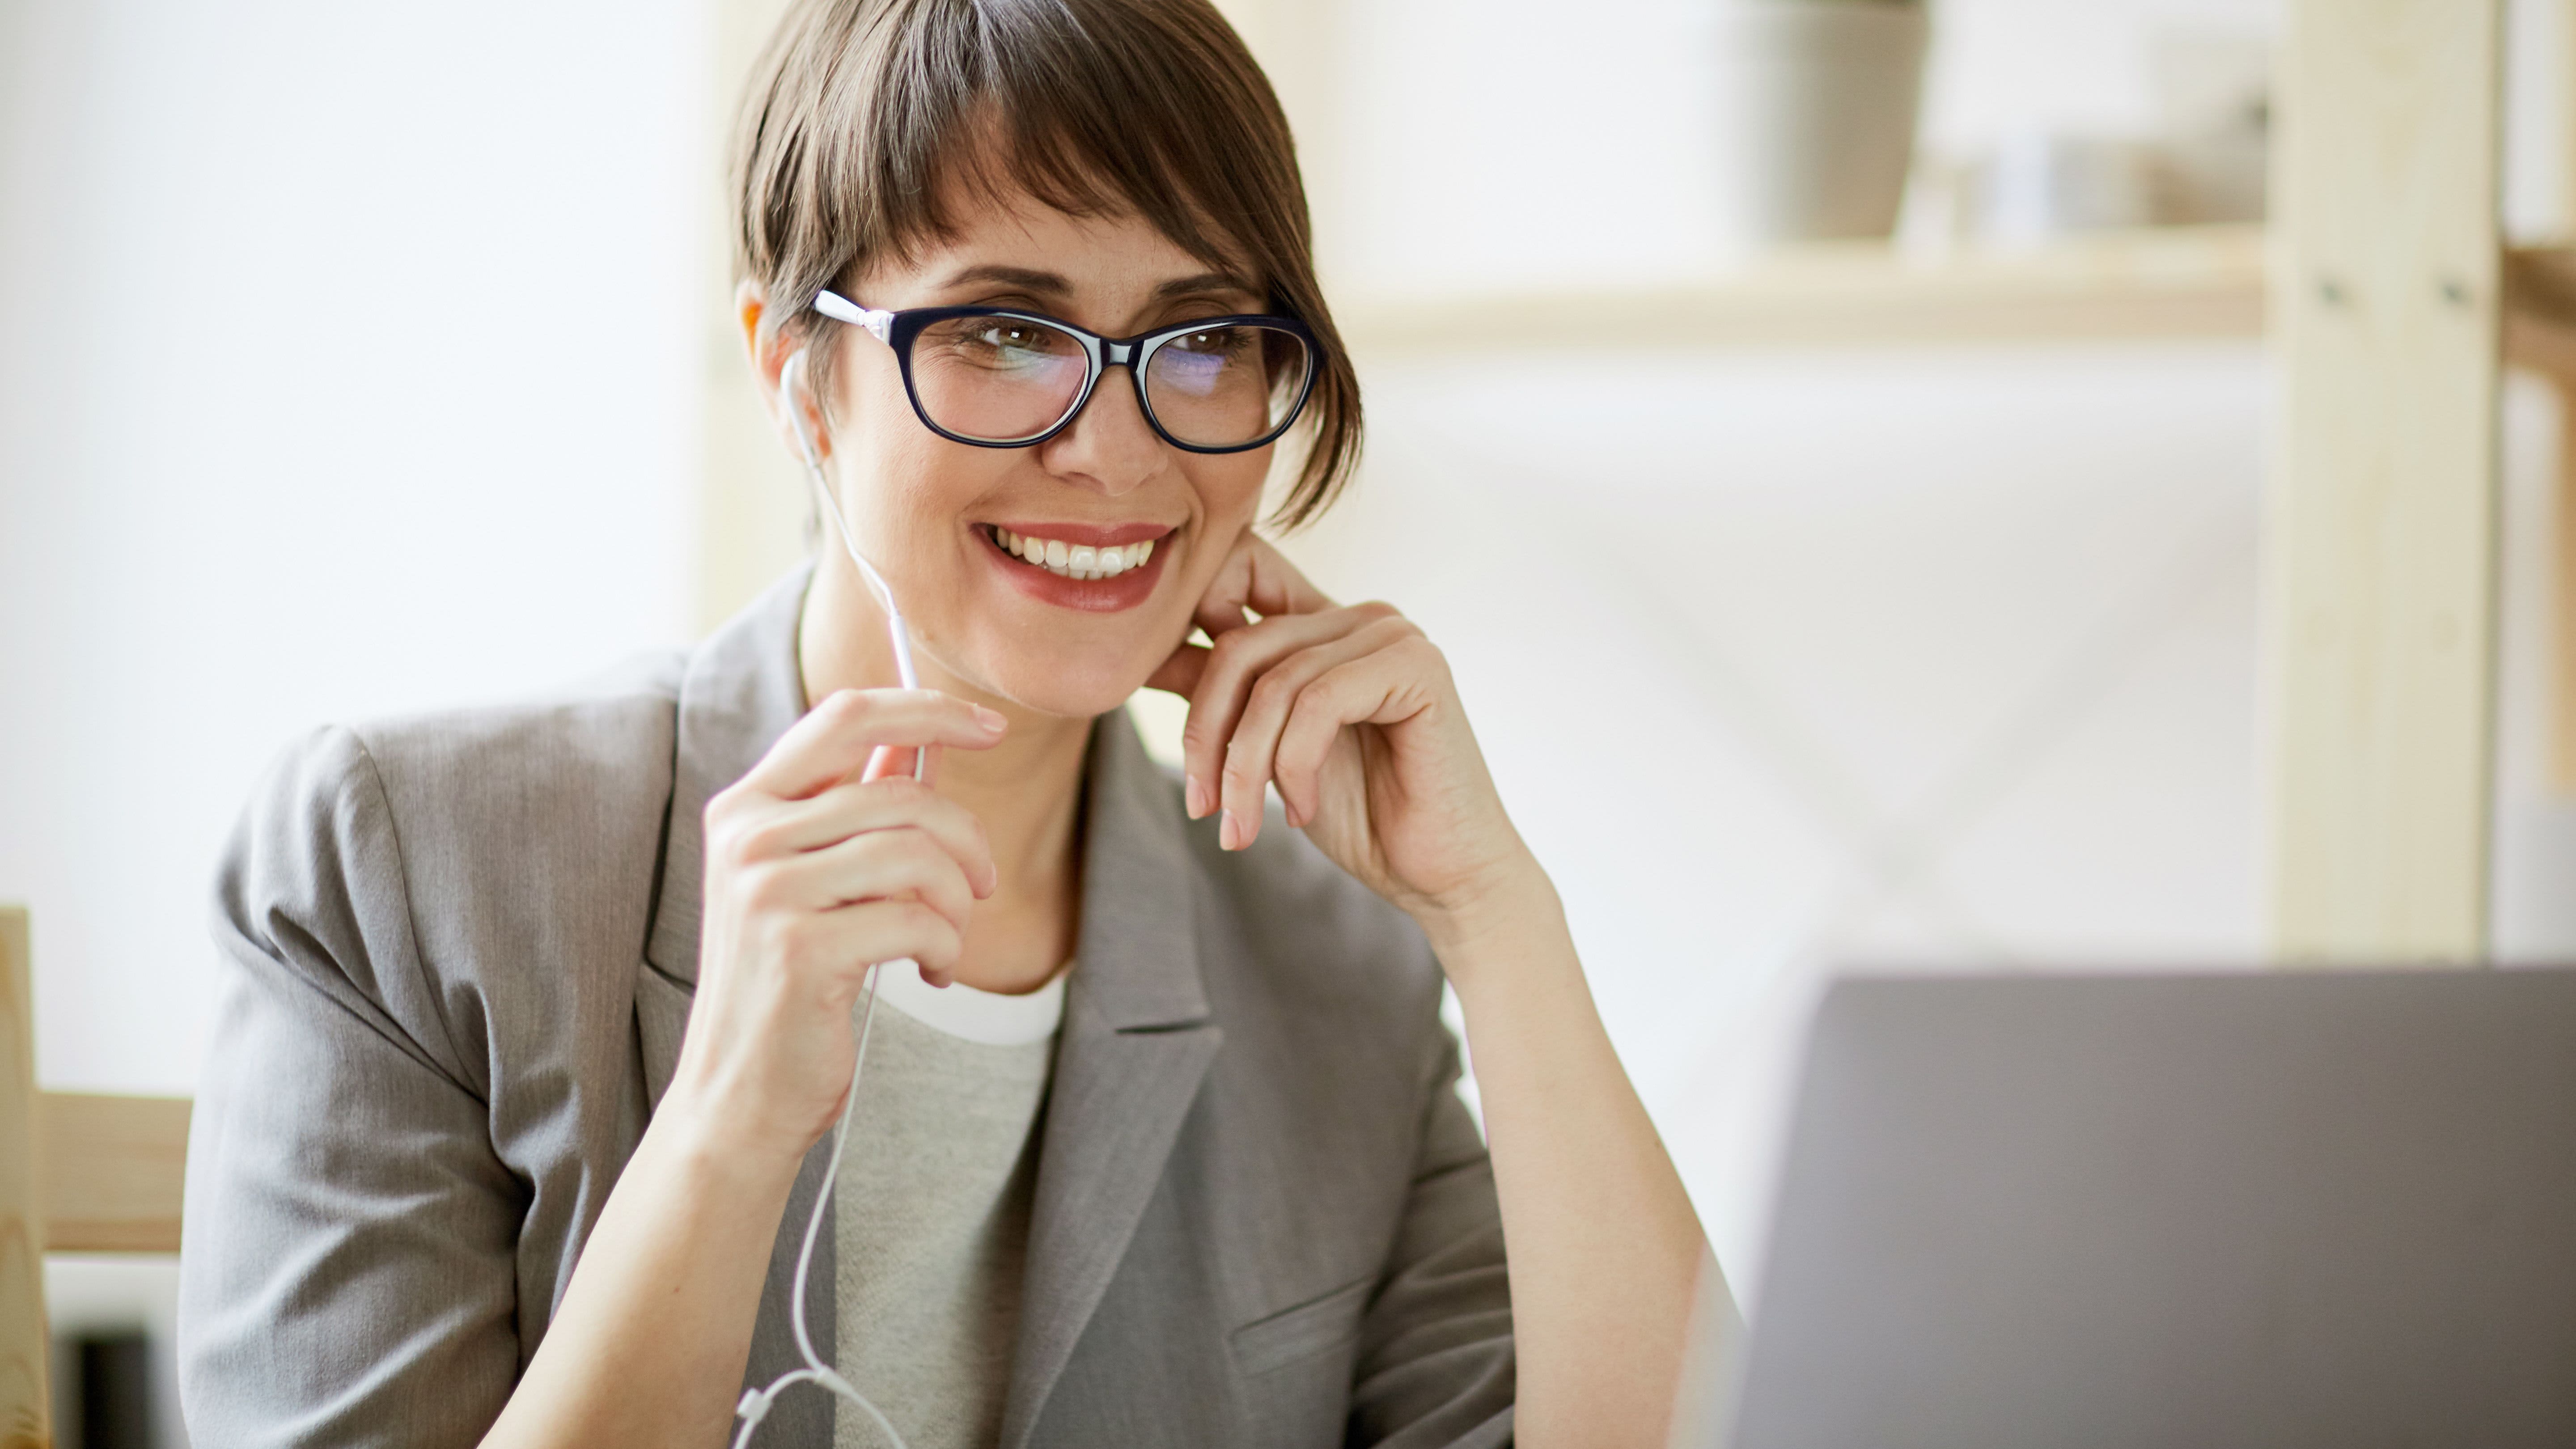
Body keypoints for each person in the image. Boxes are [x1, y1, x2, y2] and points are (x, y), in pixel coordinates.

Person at [176, 1, 1726, 1445]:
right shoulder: (410, 864)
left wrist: (1494, 917)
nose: (1114, 457)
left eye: (1201, 340)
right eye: (1004, 332)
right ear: (797, 378)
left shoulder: (1339, 971)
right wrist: (724, 1132)